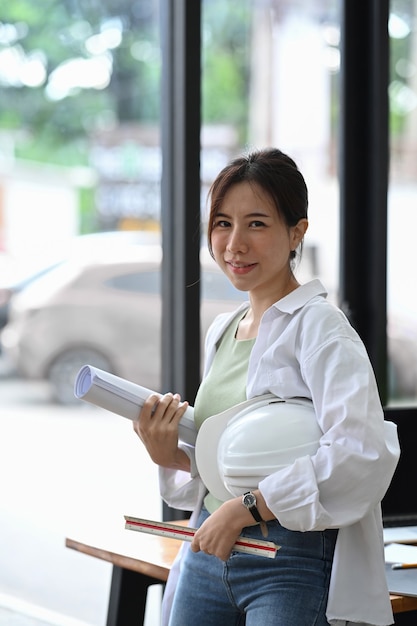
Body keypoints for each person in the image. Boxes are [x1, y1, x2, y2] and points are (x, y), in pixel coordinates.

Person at [133, 148, 400, 626]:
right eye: (222, 223)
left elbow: (362, 452)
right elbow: (230, 460)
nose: (234, 243)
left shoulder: (322, 329)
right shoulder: (225, 328)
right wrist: (169, 454)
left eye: (256, 224)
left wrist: (247, 509)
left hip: (289, 560)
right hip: (208, 547)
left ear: (297, 232)